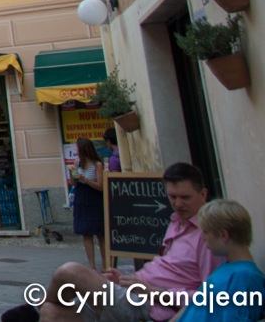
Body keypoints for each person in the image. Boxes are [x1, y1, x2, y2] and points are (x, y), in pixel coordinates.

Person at [33, 162, 220, 322]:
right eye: (172, 197)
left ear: (203, 195)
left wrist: (151, 291)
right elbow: (168, 270)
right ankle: (40, 307)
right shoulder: (177, 221)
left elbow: (209, 298)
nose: (178, 204)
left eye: (185, 197)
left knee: (69, 272)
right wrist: (124, 277)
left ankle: (32, 309)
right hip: (133, 291)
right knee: (50, 312)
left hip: (150, 304)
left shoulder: (208, 236)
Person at [174, 199, 264, 322]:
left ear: (223, 235)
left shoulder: (244, 277)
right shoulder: (226, 267)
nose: (202, 237)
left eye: (205, 232)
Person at [72, 137, 107, 271]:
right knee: (86, 232)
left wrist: (84, 178)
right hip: (81, 197)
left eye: (77, 147)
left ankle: (105, 264)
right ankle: (92, 266)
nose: (76, 150)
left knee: (100, 233)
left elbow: (100, 186)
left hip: (94, 198)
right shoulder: (77, 163)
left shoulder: (97, 164)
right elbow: (74, 183)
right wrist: (72, 175)